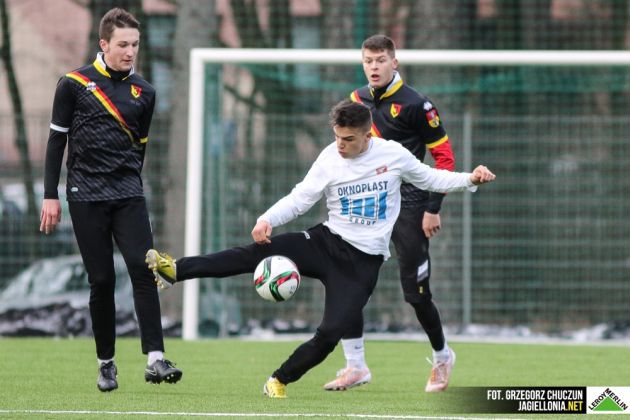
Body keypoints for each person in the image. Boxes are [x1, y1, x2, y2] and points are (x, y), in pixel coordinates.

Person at [145, 99, 495, 398]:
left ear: (367, 134)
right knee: (254, 253)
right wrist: (267, 218)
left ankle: (278, 380)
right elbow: (301, 198)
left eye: (348, 139)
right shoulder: (330, 157)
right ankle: (176, 270)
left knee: (328, 335)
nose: (341, 144)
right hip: (326, 242)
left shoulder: (393, 155)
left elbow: (430, 176)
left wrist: (470, 180)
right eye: (337, 137)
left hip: (363, 263)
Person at [39, 7, 182, 392]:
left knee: (144, 268)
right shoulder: (73, 84)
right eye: (122, 44)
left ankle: (155, 359)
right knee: (101, 280)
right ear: (104, 44)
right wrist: (50, 194)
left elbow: (140, 147)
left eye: (135, 44)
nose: (130, 51)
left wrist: (130, 183)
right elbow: (56, 141)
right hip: (85, 196)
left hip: (128, 195)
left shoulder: (146, 92)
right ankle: (106, 363)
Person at [324, 34, 458, 393]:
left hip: (411, 207)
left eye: (380, 60)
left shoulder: (418, 105)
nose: (373, 67)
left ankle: (443, 356)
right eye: (368, 61)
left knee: (415, 293)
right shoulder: (356, 102)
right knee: (347, 282)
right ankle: (355, 365)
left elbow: (444, 159)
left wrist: (433, 208)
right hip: (370, 204)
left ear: (394, 63)